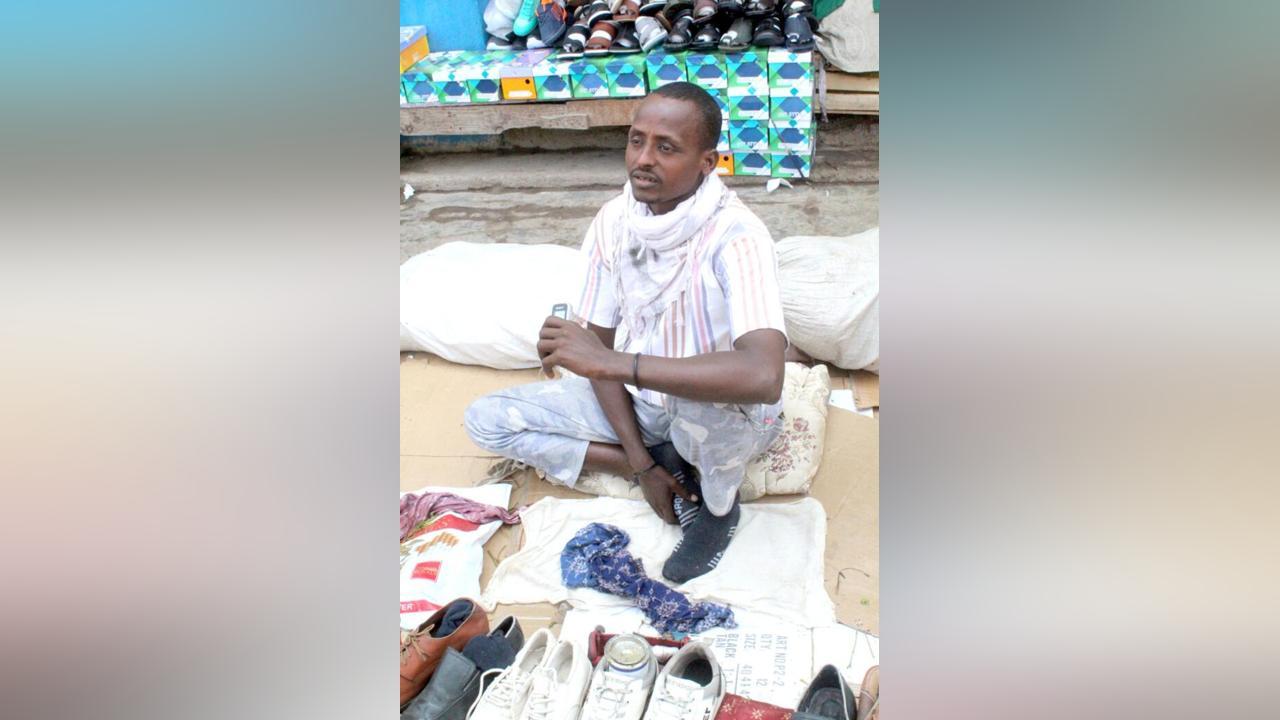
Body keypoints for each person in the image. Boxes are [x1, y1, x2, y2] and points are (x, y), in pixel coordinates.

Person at [464, 82, 787, 583]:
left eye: (666, 148)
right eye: (637, 141)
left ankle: (720, 509)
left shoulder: (738, 237)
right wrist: (639, 464)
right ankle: (659, 461)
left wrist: (617, 362)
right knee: (487, 420)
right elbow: (599, 352)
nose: (643, 159)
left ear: (707, 163)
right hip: (641, 408)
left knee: (696, 403)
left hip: (723, 414)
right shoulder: (615, 221)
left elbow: (764, 375)